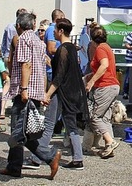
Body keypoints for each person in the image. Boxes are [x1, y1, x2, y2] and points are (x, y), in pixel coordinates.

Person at [0, 12, 61, 180]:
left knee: (19, 131)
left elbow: (26, 64)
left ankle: (48, 156)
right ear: (33, 26)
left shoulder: (23, 40)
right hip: (35, 90)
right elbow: (42, 68)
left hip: (24, 91)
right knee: (23, 130)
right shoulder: (39, 42)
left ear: (19, 25)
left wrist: (24, 89)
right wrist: (42, 92)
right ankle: (14, 165)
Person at [42, 18, 88, 170]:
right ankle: (78, 158)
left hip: (63, 92)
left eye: (55, 30)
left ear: (61, 31)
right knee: (71, 125)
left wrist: (47, 94)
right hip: (73, 91)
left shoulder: (63, 49)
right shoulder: (72, 48)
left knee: (49, 124)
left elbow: (59, 76)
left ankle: (37, 156)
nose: (53, 32)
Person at [85, 25, 120, 159]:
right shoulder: (107, 47)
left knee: (95, 117)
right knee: (105, 117)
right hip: (112, 86)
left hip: (105, 86)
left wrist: (92, 81)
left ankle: (110, 142)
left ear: (92, 39)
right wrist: (90, 76)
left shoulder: (100, 49)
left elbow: (104, 65)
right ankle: (108, 146)